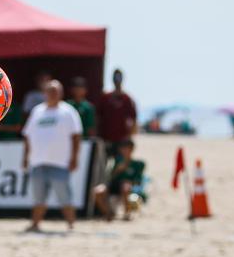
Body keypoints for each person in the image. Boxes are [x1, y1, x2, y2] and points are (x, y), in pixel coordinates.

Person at [22, 80, 82, 232]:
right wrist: (26, 157)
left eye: (56, 91)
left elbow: (76, 136)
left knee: (65, 197)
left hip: (60, 162)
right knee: (38, 197)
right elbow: (28, 136)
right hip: (38, 161)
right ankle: (35, 224)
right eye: (50, 91)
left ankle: (71, 224)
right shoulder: (37, 111)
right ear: (44, 94)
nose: (53, 94)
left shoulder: (68, 111)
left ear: (61, 93)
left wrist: (74, 158)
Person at [93, 139, 146, 221]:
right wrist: (118, 170)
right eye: (122, 148)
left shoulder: (138, 164)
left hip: (129, 188)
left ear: (131, 149)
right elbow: (110, 178)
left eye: (126, 148)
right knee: (97, 191)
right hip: (115, 185)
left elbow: (138, 181)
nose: (124, 150)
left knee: (125, 186)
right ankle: (108, 213)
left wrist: (129, 182)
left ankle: (127, 213)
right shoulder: (116, 161)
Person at [95, 69, 137, 146]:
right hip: (106, 139)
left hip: (122, 141)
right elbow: (98, 117)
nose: (117, 80)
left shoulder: (127, 99)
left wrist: (129, 137)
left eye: (119, 77)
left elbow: (133, 119)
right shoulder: (105, 98)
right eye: (115, 77)